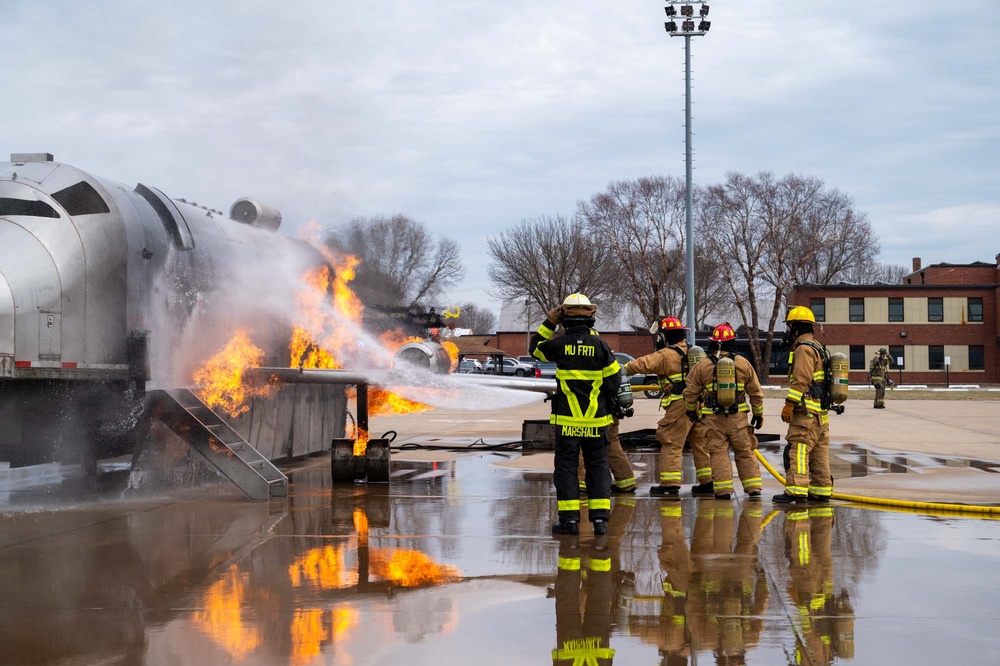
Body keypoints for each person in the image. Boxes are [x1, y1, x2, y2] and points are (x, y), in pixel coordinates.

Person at [531, 293, 621, 535]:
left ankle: (569, 522)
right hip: (595, 422)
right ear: (591, 317)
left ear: (564, 318)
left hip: (567, 423)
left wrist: (549, 323)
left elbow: (535, 350)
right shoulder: (601, 346)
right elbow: (614, 383)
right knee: (598, 467)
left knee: (567, 469)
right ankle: (600, 521)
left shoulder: (558, 345)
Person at [621, 317, 713, 496]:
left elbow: (640, 365)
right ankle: (708, 482)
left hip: (680, 405)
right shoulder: (693, 352)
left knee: (671, 441)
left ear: (665, 336)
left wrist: (619, 369)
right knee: (701, 443)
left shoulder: (665, 355)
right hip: (700, 404)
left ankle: (670, 484)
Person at [682, 323, 765, 500]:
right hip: (739, 420)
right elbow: (756, 392)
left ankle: (723, 491)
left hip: (714, 420)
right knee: (745, 452)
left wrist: (691, 411)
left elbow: (690, 392)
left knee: (718, 453)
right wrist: (758, 414)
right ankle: (753, 488)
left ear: (713, 343)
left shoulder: (703, 365)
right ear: (732, 343)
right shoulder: (743, 363)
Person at [773, 306, 833, 505]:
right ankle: (821, 489)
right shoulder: (818, 347)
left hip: (806, 413)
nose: (789, 332)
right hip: (820, 414)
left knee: (798, 448)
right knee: (819, 452)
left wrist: (789, 405)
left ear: (796, 328)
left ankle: (797, 489)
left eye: (790, 327)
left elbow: (801, 380)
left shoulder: (804, 349)